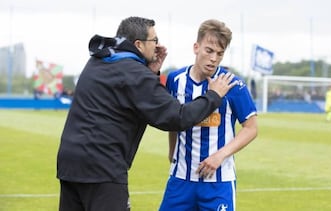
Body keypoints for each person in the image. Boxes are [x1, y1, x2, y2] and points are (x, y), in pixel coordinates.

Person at [56, 16, 237, 211]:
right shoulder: (134, 73)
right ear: (139, 44)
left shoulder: (97, 62)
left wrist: (150, 72)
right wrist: (213, 95)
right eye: (154, 41)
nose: (158, 46)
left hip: (69, 166)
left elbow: (130, 97)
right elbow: (177, 117)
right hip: (103, 170)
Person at [159, 19, 258, 211]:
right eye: (209, 51)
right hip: (181, 179)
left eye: (220, 54)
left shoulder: (233, 85)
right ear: (196, 48)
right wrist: (172, 150)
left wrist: (220, 156)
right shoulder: (175, 80)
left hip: (218, 182)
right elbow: (174, 119)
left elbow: (251, 128)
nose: (214, 58)